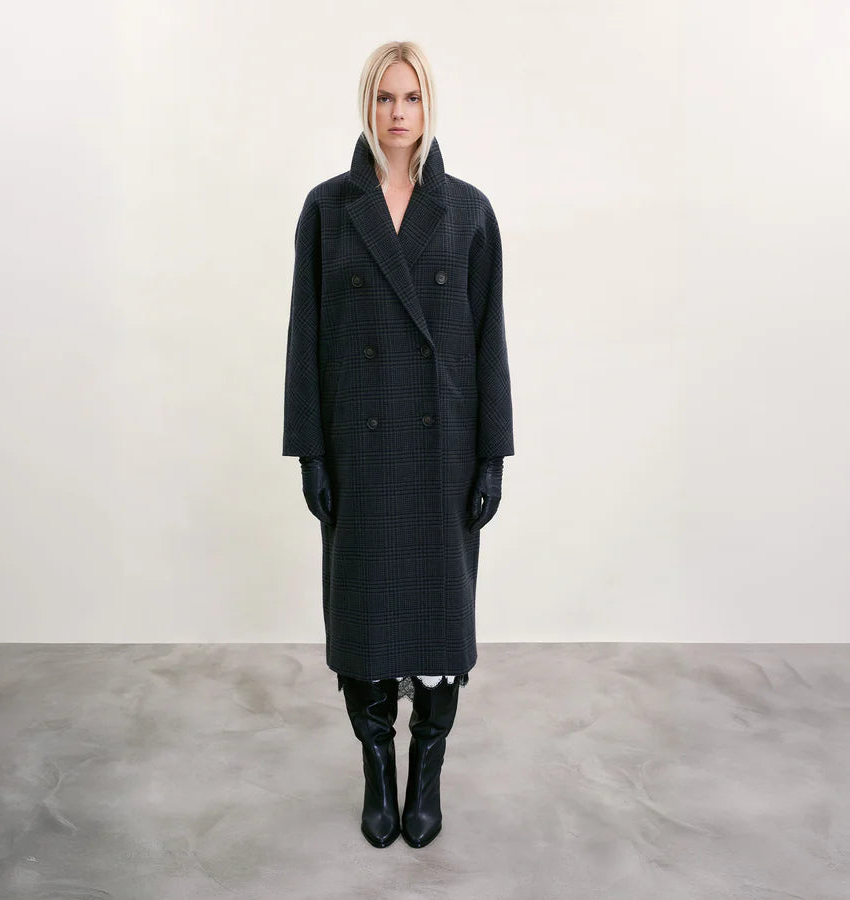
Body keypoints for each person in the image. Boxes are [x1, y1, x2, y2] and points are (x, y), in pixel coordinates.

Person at [282, 41, 514, 849]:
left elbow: (489, 342)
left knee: (440, 619)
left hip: (442, 450)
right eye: (385, 97)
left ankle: (428, 773)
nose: (398, 112)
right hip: (360, 447)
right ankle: (378, 769)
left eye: (411, 97)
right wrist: (311, 453)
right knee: (365, 616)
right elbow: (305, 339)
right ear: (368, 105)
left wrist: (492, 456)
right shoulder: (327, 208)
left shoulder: (469, 211)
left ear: (428, 106)